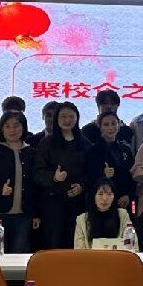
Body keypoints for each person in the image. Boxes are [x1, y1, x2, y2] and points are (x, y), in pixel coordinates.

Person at [0, 110, 41, 253]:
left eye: (16, 125)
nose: (12, 130)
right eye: (7, 126)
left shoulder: (31, 152)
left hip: (24, 214)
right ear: (1, 128)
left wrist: (36, 213)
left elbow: (36, 186)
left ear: (23, 128)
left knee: (20, 256)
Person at [32, 102, 88, 249]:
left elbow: (91, 172)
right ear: (56, 118)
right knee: (53, 244)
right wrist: (54, 177)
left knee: (76, 244)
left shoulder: (84, 143)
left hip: (78, 204)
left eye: (71, 116)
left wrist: (82, 186)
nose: (67, 120)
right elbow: (37, 173)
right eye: (63, 116)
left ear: (77, 118)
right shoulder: (46, 143)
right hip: (52, 205)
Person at [85, 111, 136, 213]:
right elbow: (88, 178)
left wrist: (128, 195)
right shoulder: (93, 151)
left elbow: (132, 175)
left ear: (119, 125)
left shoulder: (125, 149)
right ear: (100, 127)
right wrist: (103, 175)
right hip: (102, 201)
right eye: (106, 124)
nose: (110, 127)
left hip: (124, 201)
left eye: (113, 123)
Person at [73, 179, 132, 249]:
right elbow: (79, 250)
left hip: (117, 255)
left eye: (109, 194)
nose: (105, 198)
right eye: (100, 194)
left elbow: (131, 244)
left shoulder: (123, 215)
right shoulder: (82, 219)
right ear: (94, 197)